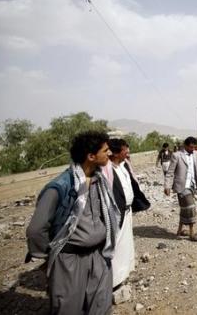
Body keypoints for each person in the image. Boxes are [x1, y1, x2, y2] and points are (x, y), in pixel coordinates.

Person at [26, 130, 118, 315]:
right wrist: (47, 258)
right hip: (69, 260)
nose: (109, 154)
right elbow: (36, 229)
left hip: (99, 255)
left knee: (100, 305)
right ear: (91, 156)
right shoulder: (60, 186)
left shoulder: (100, 180)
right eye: (105, 150)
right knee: (68, 308)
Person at [107, 138, 150, 289]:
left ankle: (123, 275)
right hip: (117, 214)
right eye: (125, 149)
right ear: (116, 153)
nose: (128, 152)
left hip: (127, 212)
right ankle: (113, 281)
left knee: (126, 246)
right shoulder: (107, 170)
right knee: (116, 247)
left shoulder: (123, 166)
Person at [164, 136, 197, 241]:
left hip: (192, 185)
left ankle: (179, 232)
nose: (192, 149)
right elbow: (170, 172)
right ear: (185, 145)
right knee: (191, 207)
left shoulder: (196, 154)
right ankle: (192, 233)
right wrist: (167, 186)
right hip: (181, 187)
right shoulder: (177, 155)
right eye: (191, 147)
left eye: (194, 147)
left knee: (185, 209)